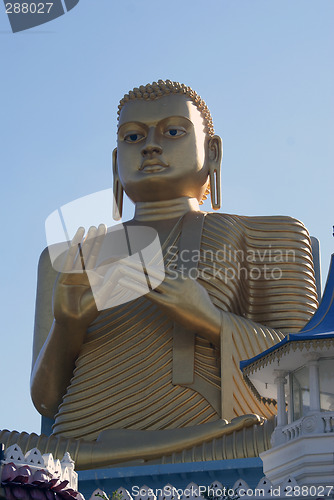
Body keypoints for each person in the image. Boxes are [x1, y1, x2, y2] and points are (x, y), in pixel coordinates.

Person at [0, 80, 318, 469]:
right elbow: (48, 402)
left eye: (172, 131)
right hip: (75, 452)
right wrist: (68, 323)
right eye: (133, 137)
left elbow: (308, 384)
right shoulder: (73, 259)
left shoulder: (268, 235)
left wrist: (212, 321)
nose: (150, 145)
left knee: (301, 434)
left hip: (225, 440)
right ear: (115, 160)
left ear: (213, 152)